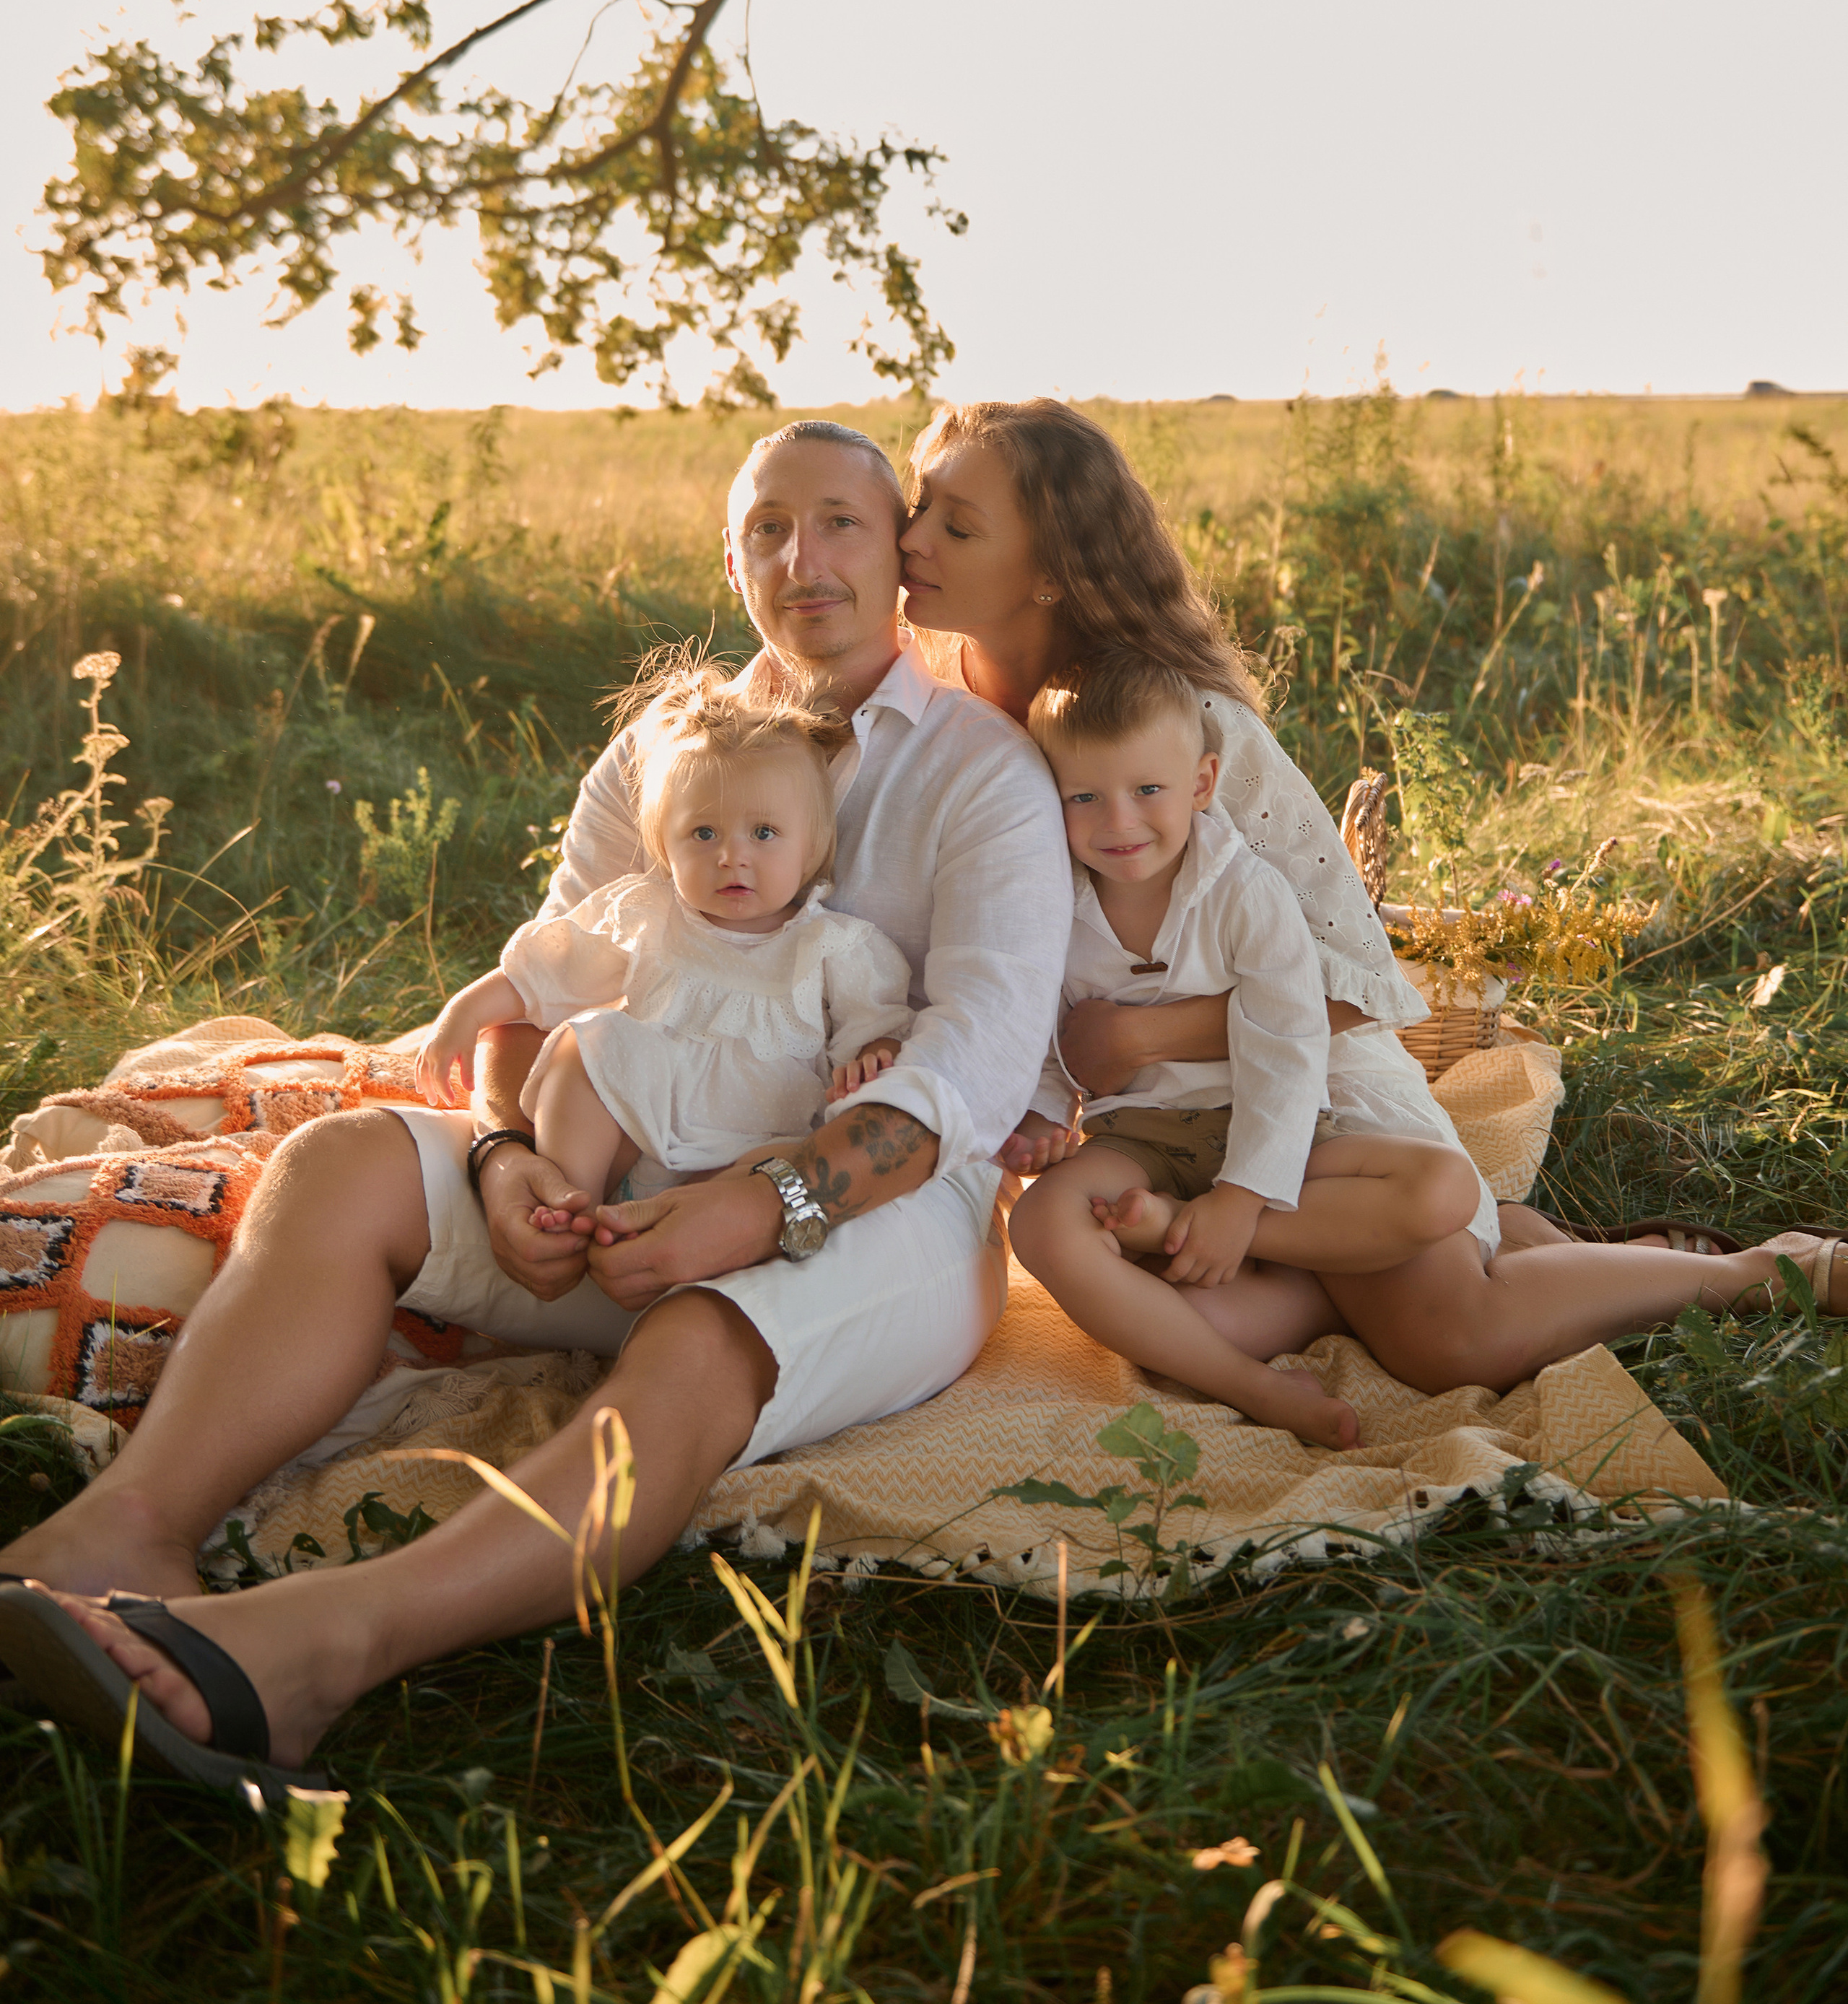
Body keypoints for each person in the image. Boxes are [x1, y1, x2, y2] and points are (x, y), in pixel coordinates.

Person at [0, 419, 1073, 1790]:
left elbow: (974, 1068)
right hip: (616, 1171)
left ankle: (316, 1650)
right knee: (339, 1159)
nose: (802, 558)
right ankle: (129, 1527)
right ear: (732, 559)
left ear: (901, 553)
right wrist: (507, 1156)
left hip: (876, 1214)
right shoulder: (664, 752)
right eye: (767, 528)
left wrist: (760, 1208)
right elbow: (544, 981)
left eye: (840, 523)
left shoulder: (981, 770)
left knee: (702, 1336)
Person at [894, 397, 1848, 1394]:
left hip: (1307, 1095)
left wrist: (1138, 1036)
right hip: (1156, 1125)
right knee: (1169, 1325)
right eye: (920, 506)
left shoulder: (1186, 727)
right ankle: (1448, 1252)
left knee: (1450, 1344)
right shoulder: (940, 717)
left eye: (957, 525)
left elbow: (1357, 980)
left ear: (1051, 570)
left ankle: (1753, 1270)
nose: (913, 538)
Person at [1008, 650, 1482, 1450]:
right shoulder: (1052, 899)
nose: (1118, 822)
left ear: (1202, 783)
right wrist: (1043, 1115)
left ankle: (1189, 1231)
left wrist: (1240, 1198)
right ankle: (1256, 1386)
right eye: (1083, 797)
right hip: (1140, 1138)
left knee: (1443, 1188)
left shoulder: (1244, 892)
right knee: (1041, 1225)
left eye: (1147, 790)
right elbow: (1040, 1029)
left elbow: (1288, 1045)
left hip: (1263, 1124)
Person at [417, 666, 912, 1214]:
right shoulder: (647, 915)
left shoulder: (831, 946)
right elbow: (545, 973)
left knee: (785, 1164)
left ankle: (667, 1235)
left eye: (764, 833)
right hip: (633, 1136)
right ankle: (569, 1202)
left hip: (746, 1155)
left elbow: (879, 1026)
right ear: (664, 846)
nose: (732, 856)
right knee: (587, 1043)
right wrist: (464, 1012)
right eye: (704, 833)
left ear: (812, 846)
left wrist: (872, 1055)